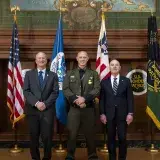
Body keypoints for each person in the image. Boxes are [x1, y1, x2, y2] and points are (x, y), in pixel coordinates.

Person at [63, 51, 100, 160]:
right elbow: (65, 89)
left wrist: (84, 98)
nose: (82, 59)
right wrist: (75, 99)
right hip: (74, 110)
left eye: (84, 57)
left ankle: (92, 156)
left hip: (88, 109)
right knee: (71, 134)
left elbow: (97, 89)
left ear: (88, 59)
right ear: (77, 58)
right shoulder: (70, 73)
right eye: (80, 57)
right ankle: (70, 155)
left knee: (90, 135)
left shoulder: (94, 74)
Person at [23, 52, 59, 160]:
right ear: (36, 61)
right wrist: (37, 103)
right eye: (39, 58)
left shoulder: (53, 75)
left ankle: (47, 157)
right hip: (33, 110)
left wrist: (45, 104)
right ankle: (35, 157)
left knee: (47, 136)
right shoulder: (29, 74)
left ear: (46, 61)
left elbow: (55, 92)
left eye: (43, 58)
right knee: (33, 136)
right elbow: (26, 91)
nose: (41, 60)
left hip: (47, 110)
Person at [100, 59, 134, 160]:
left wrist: (130, 113)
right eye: (112, 65)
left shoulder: (126, 81)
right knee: (110, 138)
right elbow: (102, 100)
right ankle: (112, 158)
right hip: (109, 115)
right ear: (109, 67)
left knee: (122, 138)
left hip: (123, 115)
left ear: (119, 68)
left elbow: (130, 99)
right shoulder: (104, 82)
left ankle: (122, 158)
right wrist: (102, 113)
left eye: (116, 65)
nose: (114, 67)